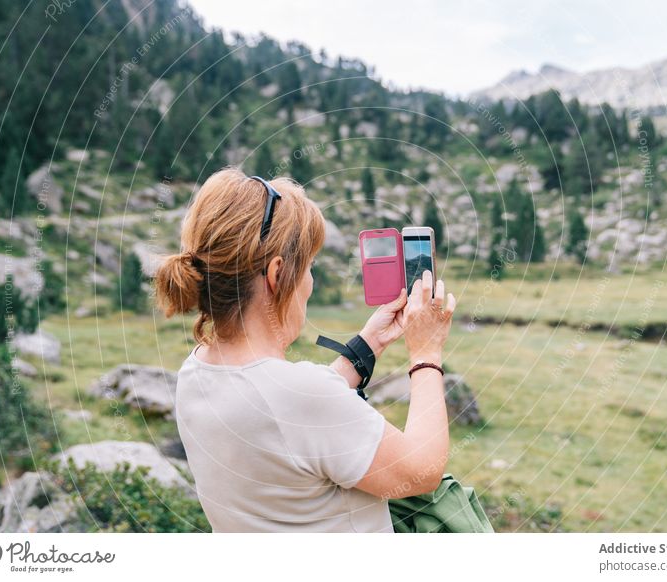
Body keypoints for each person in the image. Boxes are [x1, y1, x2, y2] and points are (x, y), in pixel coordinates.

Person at [154, 167, 457, 532]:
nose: (309, 283)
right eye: (308, 266)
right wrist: (426, 353)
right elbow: (421, 471)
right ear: (277, 274)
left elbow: (286, 419)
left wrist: (368, 345)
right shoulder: (299, 397)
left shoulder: (196, 372)